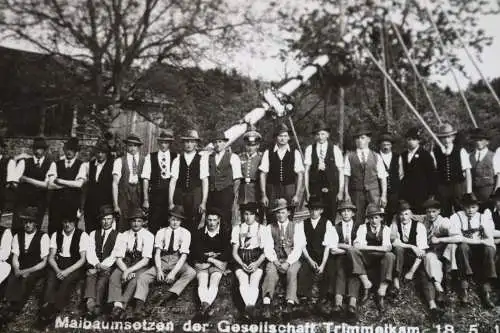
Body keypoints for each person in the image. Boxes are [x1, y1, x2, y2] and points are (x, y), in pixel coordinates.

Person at [134, 206, 196, 313]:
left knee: (191, 272)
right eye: (173, 219)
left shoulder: (186, 233)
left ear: (181, 221)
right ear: (169, 219)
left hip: (177, 260)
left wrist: (173, 273)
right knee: (143, 277)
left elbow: (184, 256)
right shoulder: (161, 232)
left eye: (178, 220)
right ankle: (139, 305)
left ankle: (170, 294)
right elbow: (157, 253)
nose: (175, 222)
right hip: (163, 259)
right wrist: (158, 270)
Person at [0, 207, 49, 325]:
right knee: (12, 276)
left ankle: (15, 309)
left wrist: (28, 271)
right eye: (25, 222)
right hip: (22, 265)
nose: (27, 225)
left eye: (30, 222)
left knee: (27, 280)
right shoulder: (18, 236)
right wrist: (17, 268)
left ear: (35, 223)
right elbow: (15, 256)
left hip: (36, 267)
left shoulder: (43, 236)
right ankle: (7, 304)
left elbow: (44, 262)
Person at [261, 198, 306, 319]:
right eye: (278, 213)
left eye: (283, 212)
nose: (280, 215)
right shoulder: (269, 227)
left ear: (289, 213)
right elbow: (268, 247)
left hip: (291, 259)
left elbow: (298, 248)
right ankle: (266, 304)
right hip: (275, 259)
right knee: (270, 272)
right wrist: (275, 261)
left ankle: (290, 304)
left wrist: (288, 262)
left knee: (292, 272)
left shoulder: (296, 227)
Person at [39, 215, 89, 324]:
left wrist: (66, 271)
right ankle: (46, 306)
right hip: (58, 263)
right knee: (51, 280)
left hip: (74, 264)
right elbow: (51, 257)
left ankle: (55, 309)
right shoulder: (56, 234)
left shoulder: (82, 235)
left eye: (70, 222)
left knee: (67, 281)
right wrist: (57, 270)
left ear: (75, 222)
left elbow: (82, 260)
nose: (67, 225)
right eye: (65, 222)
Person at [108, 208, 154, 319]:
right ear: (130, 222)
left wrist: (129, 271)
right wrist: (125, 270)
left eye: (139, 221)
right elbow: (118, 257)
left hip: (140, 264)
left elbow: (146, 260)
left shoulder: (149, 236)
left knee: (134, 280)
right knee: (114, 276)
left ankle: (123, 306)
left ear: (143, 222)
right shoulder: (123, 235)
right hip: (126, 263)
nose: (136, 223)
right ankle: (116, 305)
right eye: (133, 221)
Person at [452, 193, 496, 308]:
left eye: (473, 207)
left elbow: (489, 238)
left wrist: (484, 229)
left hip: (480, 251)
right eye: (467, 207)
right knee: (462, 246)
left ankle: (486, 290)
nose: (470, 210)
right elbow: (458, 238)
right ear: (462, 206)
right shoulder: (456, 217)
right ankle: (464, 286)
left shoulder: (483, 217)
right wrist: (480, 240)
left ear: (478, 207)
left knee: (489, 249)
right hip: (464, 252)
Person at [348, 203, 395, 312]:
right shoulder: (363, 227)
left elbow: (387, 248)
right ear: (368, 219)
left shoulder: (386, 229)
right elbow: (356, 246)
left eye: (376, 217)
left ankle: (381, 292)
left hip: (380, 259)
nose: (373, 221)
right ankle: (366, 283)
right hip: (366, 258)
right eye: (371, 218)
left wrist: (367, 247)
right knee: (351, 250)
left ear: (381, 218)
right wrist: (378, 248)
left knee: (390, 255)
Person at [421, 198, 461, 319]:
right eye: (428, 212)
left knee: (450, 247)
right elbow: (410, 216)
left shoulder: (444, 222)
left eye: (433, 211)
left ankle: (446, 284)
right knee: (429, 258)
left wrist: (440, 239)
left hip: (445, 253)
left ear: (439, 211)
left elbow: (458, 237)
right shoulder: (424, 220)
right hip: (432, 253)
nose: (431, 214)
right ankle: (440, 289)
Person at [297, 196, 336, 314]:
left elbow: (328, 245)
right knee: (304, 269)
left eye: (317, 209)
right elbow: (301, 245)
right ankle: (306, 302)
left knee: (330, 270)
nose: (314, 212)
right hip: (308, 255)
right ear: (309, 210)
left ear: (321, 210)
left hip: (322, 256)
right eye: (312, 209)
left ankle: (322, 300)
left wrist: (323, 264)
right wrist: (309, 260)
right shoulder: (302, 224)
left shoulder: (327, 223)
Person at [191, 208, 231, 320]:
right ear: (206, 220)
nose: (212, 223)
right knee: (202, 281)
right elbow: (196, 251)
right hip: (204, 263)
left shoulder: (224, 232)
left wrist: (214, 258)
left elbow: (227, 252)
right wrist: (211, 259)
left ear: (219, 220)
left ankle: (204, 307)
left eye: (214, 220)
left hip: (217, 264)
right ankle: (205, 305)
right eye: (209, 220)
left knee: (214, 280)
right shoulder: (200, 233)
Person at [344, 126, 388, 227]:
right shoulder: (350, 156)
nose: (360, 140)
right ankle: (357, 240)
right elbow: (346, 176)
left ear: (369, 139)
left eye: (363, 138)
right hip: (356, 192)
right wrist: (346, 193)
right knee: (357, 218)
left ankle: (377, 238)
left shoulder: (376, 156)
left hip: (373, 192)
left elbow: (382, 177)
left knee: (375, 216)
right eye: (357, 138)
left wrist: (384, 195)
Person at [12, 137, 56, 233]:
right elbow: (15, 181)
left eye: (40, 149)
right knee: (18, 228)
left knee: (35, 229)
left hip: (39, 202)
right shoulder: (24, 162)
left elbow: (47, 185)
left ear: (44, 150)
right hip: (23, 202)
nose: (37, 151)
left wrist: (27, 179)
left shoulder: (50, 164)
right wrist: (22, 193)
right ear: (33, 149)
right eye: (35, 148)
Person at [259, 123, 304, 217]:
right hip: (272, 190)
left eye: (285, 136)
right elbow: (263, 174)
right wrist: (264, 194)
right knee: (271, 216)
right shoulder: (268, 152)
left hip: (289, 189)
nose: (283, 138)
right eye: (280, 136)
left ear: (289, 138)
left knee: (289, 216)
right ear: (276, 137)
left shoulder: (295, 152)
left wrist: (297, 195)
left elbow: (300, 175)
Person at [231, 202, 266, 321]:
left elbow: (265, 251)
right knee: (243, 280)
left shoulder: (262, 228)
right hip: (241, 258)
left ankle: (248, 310)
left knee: (254, 281)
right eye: (245, 214)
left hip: (257, 258)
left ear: (255, 215)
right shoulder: (237, 228)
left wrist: (256, 264)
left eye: (251, 214)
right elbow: (234, 252)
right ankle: (250, 308)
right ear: (242, 215)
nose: (248, 217)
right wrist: (242, 264)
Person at [169, 129, 209, 233]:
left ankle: (193, 248)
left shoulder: (202, 159)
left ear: (196, 143)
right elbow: (173, 181)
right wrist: (170, 202)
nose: (189, 144)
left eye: (191, 142)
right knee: (179, 222)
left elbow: (205, 181)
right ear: (183, 143)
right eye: (186, 141)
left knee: (194, 223)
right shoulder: (178, 159)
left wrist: (203, 202)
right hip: (180, 195)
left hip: (195, 195)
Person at [84, 205, 120, 318]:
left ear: (113, 220)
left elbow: (115, 254)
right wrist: (96, 264)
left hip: (108, 266)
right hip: (95, 264)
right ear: (100, 220)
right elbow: (90, 250)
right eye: (104, 219)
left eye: (109, 219)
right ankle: (90, 305)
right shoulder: (93, 233)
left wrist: (103, 265)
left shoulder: (118, 235)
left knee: (101, 282)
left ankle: (98, 306)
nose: (106, 222)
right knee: (90, 276)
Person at [304, 120, 344, 221]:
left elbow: (341, 171)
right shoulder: (309, 149)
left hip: (331, 189)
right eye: (318, 134)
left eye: (323, 134)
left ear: (328, 135)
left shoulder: (335, 149)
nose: (320, 136)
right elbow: (306, 172)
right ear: (315, 136)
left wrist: (340, 191)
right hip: (315, 189)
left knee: (331, 216)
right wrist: (307, 191)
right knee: (316, 217)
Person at [432, 123, 472, 217]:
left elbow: (467, 171)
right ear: (440, 139)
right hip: (442, 188)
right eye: (443, 137)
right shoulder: (435, 151)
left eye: (449, 137)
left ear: (453, 137)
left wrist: (468, 191)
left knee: (461, 211)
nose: (446, 140)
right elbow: (433, 171)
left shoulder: (460, 150)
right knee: (444, 212)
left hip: (457, 186)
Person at [48, 137, 87, 234]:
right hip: (56, 204)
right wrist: (71, 183)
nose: (69, 152)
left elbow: (79, 184)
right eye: (67, 149)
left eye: (72, 150)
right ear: (64, 150)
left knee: (70, 231)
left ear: (76, 152)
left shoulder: (81, 165)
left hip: (72, 204)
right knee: (54, 230)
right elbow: (50, 185)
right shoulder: (56, 164)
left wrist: (60, 181)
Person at [142, 130, 177, 234]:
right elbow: (145, 179)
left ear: (170, 143)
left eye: (166, 142)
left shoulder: (176, 157)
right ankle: (152, 248)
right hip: (155, 195)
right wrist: (145, 199)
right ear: (158, 143)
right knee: (153, 223)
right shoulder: (150, 157)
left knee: (169, 224)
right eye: (161, 142)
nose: (163, 145)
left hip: (170, 195)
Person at [330, 199, 361, 319]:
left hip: (356, 257)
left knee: (354, 273)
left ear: (353, 213)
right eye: (343, 211)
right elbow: (333, 247)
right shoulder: (335, 227)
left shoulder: (360, 227)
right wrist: (348, 248)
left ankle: (352, 305)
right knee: (340, 271)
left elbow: (359, 245)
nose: (346, 213)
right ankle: (338, 304)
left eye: (349, 211)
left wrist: (340, 244)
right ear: (340, 214)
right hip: (341, 256)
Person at [207, 131, 242, 233]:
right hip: (212, 193)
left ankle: (226, 245)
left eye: (220, 141)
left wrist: (234, 198)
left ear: (225, 143)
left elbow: (237, 179)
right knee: (212, 220)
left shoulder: (233, 157)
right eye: (215, 142)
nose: (217, 144)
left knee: (226, 219)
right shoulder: (209, 157)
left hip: (226, 193)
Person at [390, 200, 428, 292]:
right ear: (398, 215)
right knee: (398, 249)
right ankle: (396, 279)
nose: (404, 217)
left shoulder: (419, 226)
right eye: (401, 214)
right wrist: (411, 246)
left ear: (411, 215)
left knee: (423, 273)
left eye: (406, 214)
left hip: (414, 258)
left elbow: (422, 251)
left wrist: (411, 272)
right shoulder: (394, 225)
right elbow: (394, 242)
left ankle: (412, 274)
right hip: (400, 256)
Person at [112, 134, 146, 231]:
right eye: (130, 145)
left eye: (135, 145)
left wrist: (145, 199)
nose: (132, 148)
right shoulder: (119, 161)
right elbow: (115, 183)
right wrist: (115, 205)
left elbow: (146, 180)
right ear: (126, 146)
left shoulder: (144, 160)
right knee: (122, 222)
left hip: (138, 194)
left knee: (136, 221)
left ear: (139, 147)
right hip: (124, 194)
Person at [400, 127, 436, 215]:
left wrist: (431, 194)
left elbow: (432, 175)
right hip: (406, 194)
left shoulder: (425, 155)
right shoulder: (403, 155)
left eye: (414, 139)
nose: (411, 141)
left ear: (418, 141)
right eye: (409, 139)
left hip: (422, 193)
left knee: (420, 216)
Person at [83, 141, 114, 232]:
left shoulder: (112, 164)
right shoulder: (90, 164)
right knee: (90, 229)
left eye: (103, 153)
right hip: (91, 204)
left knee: (103, 229)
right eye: (98, 152)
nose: (100, 155)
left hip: (105, 203)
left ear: (107, 154)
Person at [469, 128, 498, 203]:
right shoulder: (470, 156)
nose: (478, 142)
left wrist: (496, 192)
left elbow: (498, 176)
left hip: (488, 191)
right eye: (476, 140)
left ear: (487, 142)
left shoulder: (494, 156)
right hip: (474, 192)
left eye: (481, 140)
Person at [378, 132, 401, 224]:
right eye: (383, 145)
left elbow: (401, 173)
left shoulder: (397, 156)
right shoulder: (376, 156)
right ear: (380, 145)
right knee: (381, 213)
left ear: (391, 145)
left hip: (394, 191)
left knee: (394, 213)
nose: (386, 147)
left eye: (388, 144)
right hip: (379, 191)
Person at [238, 125, 263, 208]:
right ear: (245, 145)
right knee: (243, 212)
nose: (250, 148)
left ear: (257, 146)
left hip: (256, 189)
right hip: (243, 190)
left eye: (253, 145)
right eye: (248, 145)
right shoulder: (240, 157)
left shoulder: (261, 157)